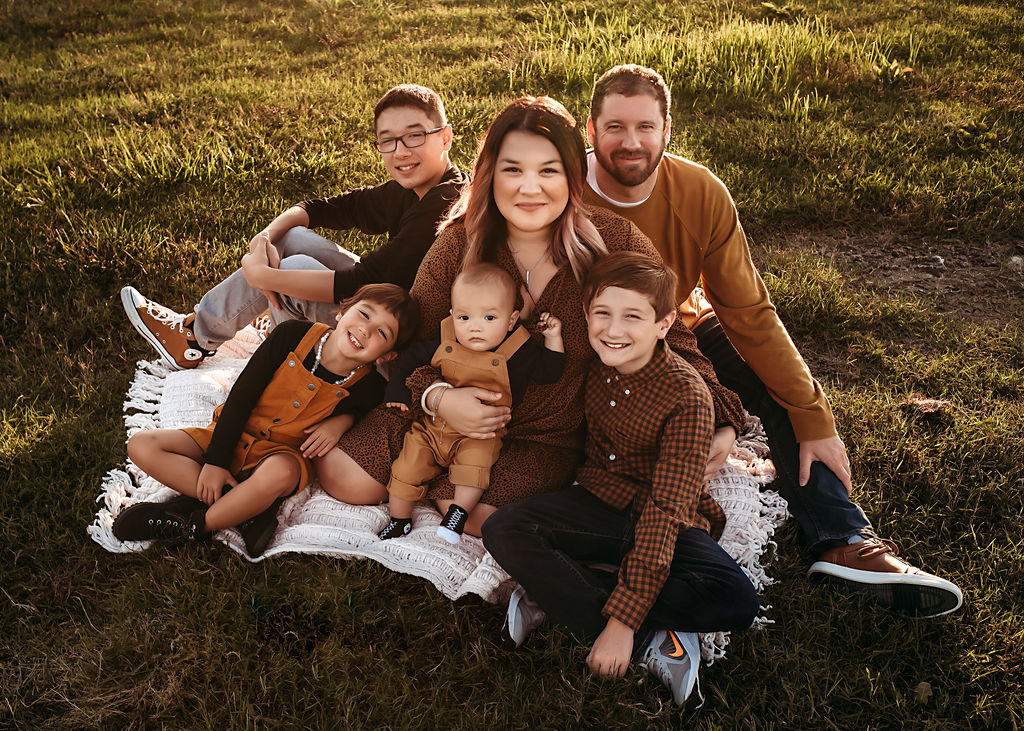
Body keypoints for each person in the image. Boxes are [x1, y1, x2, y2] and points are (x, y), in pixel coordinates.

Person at [582, 64, 962, 616]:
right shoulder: (561, 185)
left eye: (646, 126)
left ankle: (842, 541)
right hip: (590, 341)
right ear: (591, 131)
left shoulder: (700, 192)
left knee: (775, 383)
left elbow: (750, 313)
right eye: (615, 127)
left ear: (668, 130)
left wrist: (814, 416)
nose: (631, 142)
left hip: (682, 329)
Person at [313, 96, 746, 540]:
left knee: (471, 511)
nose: (530, 188)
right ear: (490, 174)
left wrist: (722, 419)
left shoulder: (613, 241)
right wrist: (438, 399)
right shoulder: (459, 244)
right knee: (344, 478)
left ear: (574, 176)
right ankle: (425, 471)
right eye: (513, 169)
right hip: (441, 414)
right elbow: (413, 341)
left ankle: (438, 488)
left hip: (542, 435)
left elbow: (675, 342)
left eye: (548, 171)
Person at [483, 251, 759, 705]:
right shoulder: (591, 364)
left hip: (667, 516)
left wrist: (621, 623)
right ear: (587, 314)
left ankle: (568, 600)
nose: (613, 330)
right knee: (503, 528)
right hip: (598, 502)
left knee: (735, 599)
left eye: (633, 316)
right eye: (602, 313)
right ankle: (652, 630)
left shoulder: (687, 398)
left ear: (664, 324)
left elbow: (669, 509)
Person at [120, 84, 466, 370]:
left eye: (414, 136)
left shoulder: (443, 206)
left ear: (446, 137)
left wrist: (264, 278)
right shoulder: (421, 186)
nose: (400, 151)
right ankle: (195, 336)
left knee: (294, 270)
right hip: (388, 303)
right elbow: (324, 208)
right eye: (387, 141)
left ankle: (286, 361)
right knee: (293, 237)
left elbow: (359, 281)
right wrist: (265, 237)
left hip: (403, 340)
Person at [111, 284, 419, 557]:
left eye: (382, 333)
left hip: (278, 456)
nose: (366, 329)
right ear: (342, 311)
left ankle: (196, 524)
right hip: (227, 434)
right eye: (364, 314)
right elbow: (242, 395)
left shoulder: (369, 386)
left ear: (386, 357)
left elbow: (366, 411)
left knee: (280, 473)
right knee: (142, 446)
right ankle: (243, 508)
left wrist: (342, 422)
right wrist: (216, 461)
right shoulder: (292, 335)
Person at [380, 263, 565, 543]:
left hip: (481, 433)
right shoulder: (444, 339)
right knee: (406, 466)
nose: (475, 328)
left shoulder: (518, 350)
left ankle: (457, 514)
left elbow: (549, 373)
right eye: (465, 317)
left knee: (475, 469)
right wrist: (395, 392)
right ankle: (399, 520)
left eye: (490, 318)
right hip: (433, 427)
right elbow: (410, 361)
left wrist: (553, 339)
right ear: (453, 315)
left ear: (512, 320)